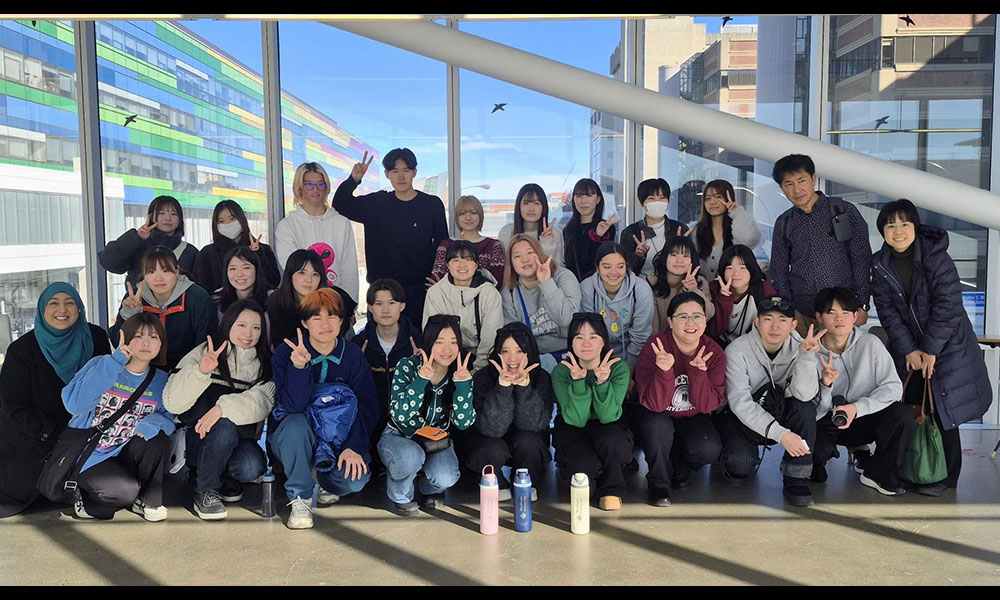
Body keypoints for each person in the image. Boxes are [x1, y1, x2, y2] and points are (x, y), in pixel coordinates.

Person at [870, 200, 991, 495]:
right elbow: (887, 312)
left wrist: (930, 349)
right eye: (890, 225)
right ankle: (912, 469)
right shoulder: (879, 264)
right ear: (882, 230)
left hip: (949, 345)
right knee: (912, 407)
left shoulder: (937, 257)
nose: (897, 231)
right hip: (910, 349)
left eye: (904, 224)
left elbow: (948, 305)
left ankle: (946, 477)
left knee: (944, 409)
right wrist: (910, 350)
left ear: (915, 227)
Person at [0, 283, 111, 518]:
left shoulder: (95, 338)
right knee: (26, 491)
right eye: (54, 303)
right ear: (42, 309)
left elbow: (108, 387)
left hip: (85, 436)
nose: (63, 309)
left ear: (79, 308)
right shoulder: (21, 350)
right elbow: (13, 406)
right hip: (36, 437)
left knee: (111, 490)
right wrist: (54, 433)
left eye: (70, 302)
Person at [270, 289, 379, 529]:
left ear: (342, 321)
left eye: (332, 316)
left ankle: (325, 481)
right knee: (296, 423)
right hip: (295, 437)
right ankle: (300, 496)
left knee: (355, 480)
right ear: (305, 322)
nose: (325, 324)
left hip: (337, 439)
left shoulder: (352, 356)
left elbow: (368, 405)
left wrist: (353, 447)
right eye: (316, 317)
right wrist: (299, 368)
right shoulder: (285, 353)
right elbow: (292, 406)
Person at [163, 300, 273, 520]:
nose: (248, 333)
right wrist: (201, 372)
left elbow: (264, 401)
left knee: (252, 467)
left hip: (238, 438)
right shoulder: (205, 352)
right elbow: (171, 403)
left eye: (256, 327)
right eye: (241, 325)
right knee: (223, 427)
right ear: (229, 324)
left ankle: (219, 475)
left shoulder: (263, 363)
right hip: (198, 435)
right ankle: (206, 490)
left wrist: (222, 408)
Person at [61, 313, 173, 521]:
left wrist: (152, 423)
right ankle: (85, 497)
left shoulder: (161, 380)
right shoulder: (102, 364)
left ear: (161, 345)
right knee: (121, 496)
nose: (147, 342)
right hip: (91, 454)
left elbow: (170, 418)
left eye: (154, 337)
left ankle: (147, 501)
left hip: (125, 451)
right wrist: (115, 362)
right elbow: (74, 404)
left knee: (156, 441)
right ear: (126, 337)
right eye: (139, 335)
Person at [809, 287, 913, 496]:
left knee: (903, 414)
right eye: (831, 312)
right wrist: (826, 386)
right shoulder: (809, 351)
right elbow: (804, 403)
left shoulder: (870, 343)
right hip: (825, 418)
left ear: (856, 316)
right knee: (816, 468)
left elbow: (892, 387)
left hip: (862, 416)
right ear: (819, 316)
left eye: (846, 312)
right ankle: (818, 462)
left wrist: (856, 408)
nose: (839, 318)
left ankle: (878, 473)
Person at [718, 295, 820, 506]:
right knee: (739, 466)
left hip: (780, 409)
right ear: (757, 322)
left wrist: (806, 358)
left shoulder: (803, 346)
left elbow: (805, 396)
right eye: (768, 319)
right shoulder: (737, 350)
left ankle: (796, 476)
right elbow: (740, 403)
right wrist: (781, 435)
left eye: (782, 320)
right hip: (743, 417)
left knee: (805, 409)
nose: (775, 326)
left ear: (793, 325)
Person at [334, 148, 449, 325]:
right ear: (387, 174)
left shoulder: (431, 204)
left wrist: (439, 279)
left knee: (419, 342)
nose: (400, 176)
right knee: (380, 346)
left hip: (420, 289)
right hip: (382, 291)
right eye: (395, 171)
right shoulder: (376, 204)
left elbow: (443, 244)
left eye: (406, 171)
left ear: (414, 172)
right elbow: (341, 204)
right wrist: (354, 179)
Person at [378, 315, 475, 516]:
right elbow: (399, 414)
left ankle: (428, 488)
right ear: (429, 342)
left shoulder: (461, 373)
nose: (446, 349)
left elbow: (464, 423)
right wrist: (421, 380)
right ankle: (401, 495)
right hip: (399, 436)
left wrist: (464, 386)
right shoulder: (408, 365)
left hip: (435, 440)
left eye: (453, 342)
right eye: (439, 342)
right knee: (409, 457)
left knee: (446, 476)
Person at [633, 293, 725, 505]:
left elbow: (708, 405)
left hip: (693, 414)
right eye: (683, 317)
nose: (690, 323)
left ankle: (680, 467)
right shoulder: (655, 347)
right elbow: (653, 404)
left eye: (697, 316)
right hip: (658, 413)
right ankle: (659, 484)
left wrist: (699, 374)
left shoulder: (713, 352)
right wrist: (664, 372)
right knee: (657, 427)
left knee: (708, 448)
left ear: (705, 320)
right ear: (671, 321)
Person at [769, 154, 873, 335]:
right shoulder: (784, 222)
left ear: (813, 179)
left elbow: (861, 259)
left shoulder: (843, 211)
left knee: (840, 361)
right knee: (804, 361)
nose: (797, 189)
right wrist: (787, 311)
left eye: (801, 180)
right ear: (781, 188)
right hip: (801, 312)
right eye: (789, 184)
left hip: (841, 311)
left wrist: (863, 303)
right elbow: (779, 270)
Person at [462, 323, 554, 500]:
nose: (513, 359)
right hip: (492, 441)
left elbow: (532, 425)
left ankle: (525, 483)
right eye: (505, 351)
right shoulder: (483, 378)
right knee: (491, 448)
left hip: (527, 444)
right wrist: (503, 388)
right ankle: (495, 481)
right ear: (497, 353)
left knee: (529, 442)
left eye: (519, 351)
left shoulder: (541, 378)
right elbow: (491, 429)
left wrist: (524, 387)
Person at [551, 313, 632, 511]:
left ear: (603, 340)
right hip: (573, 427)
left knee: (612, 440)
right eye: (579, 337)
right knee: (584, 474)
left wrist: (603, 383)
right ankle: (584, 467)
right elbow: (576, 420)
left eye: (593, 337)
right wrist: (578, 383)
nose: (586, 343)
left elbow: (608, 416)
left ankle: (612, 488)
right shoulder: (562, 371)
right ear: (571, 342)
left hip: (607, 425)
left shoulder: (618, 368)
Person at [109, 247, 217, 372]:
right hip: (142, 370)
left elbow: (205, 343)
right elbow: (119, 343)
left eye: (166, 271)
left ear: (177, 271)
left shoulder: (197, 298)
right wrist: (130, 314)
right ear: (144, 274)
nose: (158, 278)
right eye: (151, 272)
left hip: (187, 371)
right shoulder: (134, 297)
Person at [353, 279, 421, 458]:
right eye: (378, 304)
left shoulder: (418, 342)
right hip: (370, 425)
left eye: (392, 303)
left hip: (408, 427)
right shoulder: (359, 345)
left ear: (402, 306)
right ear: (370, 308)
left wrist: (418, 365)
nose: (385, 310)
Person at [274, 162, 359, 304]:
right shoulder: (287, 225)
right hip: (300, 304)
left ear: (326, 188)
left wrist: (350, 305)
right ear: (300, 188)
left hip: (335, 305)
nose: (315, 189)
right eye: (309, 184)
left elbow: (349, 269)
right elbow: (292, 268)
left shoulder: (341, 223)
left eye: (320, 184)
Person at [501, 234, 581, 368]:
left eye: (530, 253)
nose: (524, 259)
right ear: (511, 263)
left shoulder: (563, 277)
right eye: (517, 256)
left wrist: (546, 283)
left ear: (539, 253)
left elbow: (566, 319)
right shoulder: (509, 292)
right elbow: (512, 339)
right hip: (531, 360)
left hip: (570, 356)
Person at [422, 241, 502, 372]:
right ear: (447, 265)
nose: (462, 265)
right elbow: (432, 334)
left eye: (468, 259)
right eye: (456, 260)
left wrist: (479, 369)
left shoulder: (490, 293)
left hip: (480, 357)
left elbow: (491, 337)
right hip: (445, 356)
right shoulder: (436, 293)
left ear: (476, 265)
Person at [579, 242, 653, 368]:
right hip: (595, 356)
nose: (614, 272)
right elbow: (587, 331)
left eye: (620, 266)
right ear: (597, 267)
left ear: (627, 266)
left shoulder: (641, 290)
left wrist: (630, 368)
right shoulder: (587, 287)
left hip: (632, 355)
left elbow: (641, 334)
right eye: (607, 267)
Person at [100, 195, 198, 288]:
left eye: (173, 214)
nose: (168, 218)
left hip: (181, 305)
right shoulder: (137, 244)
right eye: (162, 213)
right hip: (139, 304)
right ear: (151, 216)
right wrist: (136, 237)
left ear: (180, 219)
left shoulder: (189, 252)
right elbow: (109, 262)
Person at [194, 199, 280, 293]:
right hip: (222, 305)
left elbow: (273, 281)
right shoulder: (207, 253)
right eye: (221, 221)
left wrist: (258, 255)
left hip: (259, 305)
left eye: (232, 219)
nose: (227, 224)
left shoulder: (263, 249)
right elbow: (202, 287)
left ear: (241, 219)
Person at [688, 179, 762, 281]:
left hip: (732, 289)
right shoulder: (695, 230)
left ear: (729, 198)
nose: (712, 202)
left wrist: (737, 212)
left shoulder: (737, 226)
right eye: (708, 198)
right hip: (701, 289)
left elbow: (748, 240)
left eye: (718, 197)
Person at [707, 244, 776, 348]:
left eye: (742, 267)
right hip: (719, 346)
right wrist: (724, 299)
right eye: (729, 268)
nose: (736, 273)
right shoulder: (713, 288)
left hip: (754, 347)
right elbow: (712, 333)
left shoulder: (764, 290)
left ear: (751, 269)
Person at [430, 195, 505, 289]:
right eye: (462, 213)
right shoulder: (446, 245)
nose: (468, 218)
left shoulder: (493, 245)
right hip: (449, 301)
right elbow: (437, 280)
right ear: (457, 217)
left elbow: (497, 282)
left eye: (473, 213)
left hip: (484, 300)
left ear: (480, 215)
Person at [620, 178, 688, 278]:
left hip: (674, 286)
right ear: (642, 202)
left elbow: (691, 262)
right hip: (641, 287)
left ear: (668, 201)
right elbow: (624, 271)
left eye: (662, 198)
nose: (657, 202)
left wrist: (680, 247)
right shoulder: (630, 232)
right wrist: (638, 256)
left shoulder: (679, 229)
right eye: (651, 198)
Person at [649, 236, 715, 334]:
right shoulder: (650, 283)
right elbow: (651, 327)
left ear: (692, 260)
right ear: (665, 257)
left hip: (690, 341)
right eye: (674, 255)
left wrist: (694, 290)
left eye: (685, 256)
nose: (679, 260)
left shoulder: (699, 282)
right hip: (660, 343)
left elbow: (708, 315)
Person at [267, 249, 330, 350]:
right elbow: (279, 343)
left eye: (315, 274)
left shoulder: (330, 301)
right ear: (290, 274)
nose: (309, 280)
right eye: (302, 273)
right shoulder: (276, 301)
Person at [563, 178, 618, 281]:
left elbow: (600, 263)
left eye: (589, 195)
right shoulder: (568, 229)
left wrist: (597, 237)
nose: (583, 201)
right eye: (578, 196)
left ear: (598, 199)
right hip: (572, 288)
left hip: (597, 287)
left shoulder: (606, 228)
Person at [497, 183, 564, 265]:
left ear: (544, 207)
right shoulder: (506, 232)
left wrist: (547, 243)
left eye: (536, 203)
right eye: (526, 203)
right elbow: (503, 267)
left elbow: (557, 268)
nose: (531, 209)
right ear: (519, 206)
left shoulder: (554, 233)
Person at [213, 247, 275, 319]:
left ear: (257, 270)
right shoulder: (217, 300)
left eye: (246, 268)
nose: (239, 274)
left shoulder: (273, 299)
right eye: (233, 269)